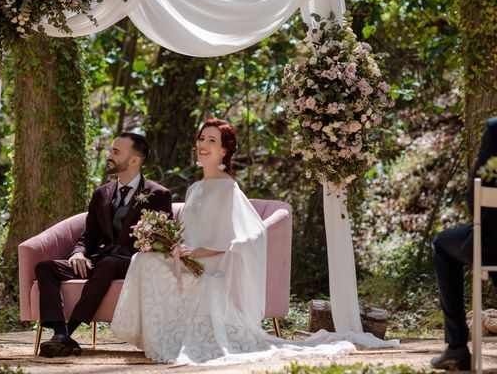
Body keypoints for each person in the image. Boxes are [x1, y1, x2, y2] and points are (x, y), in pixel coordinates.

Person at [111, 119, 356, 364]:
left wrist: (195, 252)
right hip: (187, 260)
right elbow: (188, 232)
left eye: (212, 140)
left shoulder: (228, 188)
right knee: (143, 258)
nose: (203, 144)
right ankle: (154, 335)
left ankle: (169, 338)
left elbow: (238, 239)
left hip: (211, 266)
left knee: (146, 262)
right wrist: (172, 246)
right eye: (202, 138)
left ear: (224, 151)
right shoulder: (194, 188)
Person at [35, 132, 172, 357]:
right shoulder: (101, 194)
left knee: (107, 263)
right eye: (110, 150)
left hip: (134, 263)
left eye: (116, 152)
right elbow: (88, 236)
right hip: (100, 261)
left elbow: (161, 239)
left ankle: (71, 330)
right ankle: (60, 333)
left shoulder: (158, 194)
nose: (109, 156)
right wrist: (78, 254)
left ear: (135, 160)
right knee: (45, 267)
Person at [431, 117, 497, 370]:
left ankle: (457, 347)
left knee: (441, 246)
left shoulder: (495, 128)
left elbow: (475, 194)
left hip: (492, 244)